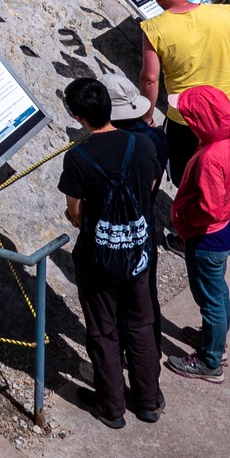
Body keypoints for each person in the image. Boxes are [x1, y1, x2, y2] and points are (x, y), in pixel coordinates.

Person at [59, 75, 166, 426]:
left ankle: (112, 406)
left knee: (103, 330)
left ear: (78, 117)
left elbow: (74, 211)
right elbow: (148, 185)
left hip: (99, 255)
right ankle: (148, 402)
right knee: (140, 323)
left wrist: (83, 218)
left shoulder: (78, 158)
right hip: (138, 247)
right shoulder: (143, 145)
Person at [137, 0, 230, 199]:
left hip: (188, 118)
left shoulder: (153, 28)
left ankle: (197, 231)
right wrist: (225, 60)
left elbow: (150, 78)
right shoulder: (224, 13)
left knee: (190, 178)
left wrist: (146, 115)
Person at [167, 84, 230, 382]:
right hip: (224, 230)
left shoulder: (210, 157)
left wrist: (183, 220)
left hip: (206, 236)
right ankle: (215, 342)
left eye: (189, 115)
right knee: (218, 292)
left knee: (208, 298)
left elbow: (208, 208)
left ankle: (210, 361)